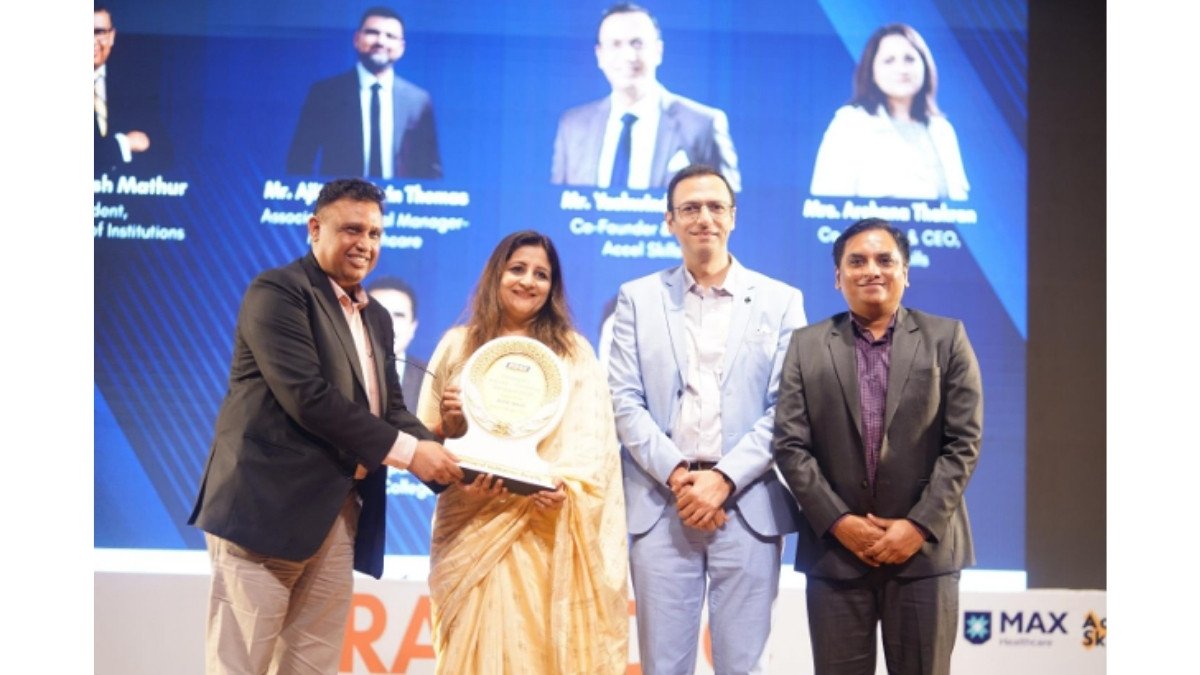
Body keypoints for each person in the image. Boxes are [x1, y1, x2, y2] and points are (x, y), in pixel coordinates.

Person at [188, 178, 462, 675]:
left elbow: (389, 410)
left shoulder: (377, 318)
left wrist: (448, 455)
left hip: (337, 518)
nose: (365, 244)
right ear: (315, 229)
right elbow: (309, 399)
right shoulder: (279, 292)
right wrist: (412, 453)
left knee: (313, 667)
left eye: (375, 233)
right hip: (263, 513)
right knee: (239, 664)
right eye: (352, 229)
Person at [608, 164, 806, 673]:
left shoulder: (781, 301)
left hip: (747, 502)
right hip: (662, 502)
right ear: (669, 220)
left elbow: (788, 408)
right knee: (663, 665)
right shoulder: (637, 297)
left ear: (733, 217)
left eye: (716, 207)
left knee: (743, 666)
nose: (704, 218)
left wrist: (722, 480)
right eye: (690, 208)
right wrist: (680, 477)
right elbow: (624, 400)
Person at [773, 218, 983, 675]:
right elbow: (789, 445)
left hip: (924, 556)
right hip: (836, 557)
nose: (872, 270)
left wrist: (918, 526)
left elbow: (963, 442)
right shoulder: (806, 346)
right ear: (838, 277)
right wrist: (840, 522)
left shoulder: (946, 338)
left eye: (885, 260)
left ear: (905, 272)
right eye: (857, 261)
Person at [417, 230, 629, 674]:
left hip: (543, 530)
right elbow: (425, 446)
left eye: (541, 274)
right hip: (469, 522)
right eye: (517, 269)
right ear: (497, 274)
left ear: (553, 287)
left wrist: (566, 489)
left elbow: (594, 451)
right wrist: (450, 429)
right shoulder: (458, 344)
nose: (528, 281)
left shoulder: (573, 354)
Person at [551, 3, 741, 192]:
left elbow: (728, 204)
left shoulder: (702, 125)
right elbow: (555, 203)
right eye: (615, 44)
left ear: (658, 51)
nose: (629, 56)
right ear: (599, 55)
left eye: (637, 43)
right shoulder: (573, 126)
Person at [809, 23, 969, 201]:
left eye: (909, 59)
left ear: (925, 65)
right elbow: (827, 203)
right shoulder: (850, 123)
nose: (901, 69)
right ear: (871, 71)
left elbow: (959, 204)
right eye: (889, 61)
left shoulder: (942, 130)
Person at [287, 6, 442, 179]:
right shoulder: (325, 93)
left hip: (400, 196)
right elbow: (299, 160)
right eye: (372, 32)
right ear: (357, 39)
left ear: (401, 47)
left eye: (390, 36)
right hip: (343, 196)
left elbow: (431, 169)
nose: (381, 41)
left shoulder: (418, 100)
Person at [94, 4, 173, 173]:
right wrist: (125, 144)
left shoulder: (132, 86)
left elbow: (162, 152)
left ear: (112, 36)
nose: (92, 41)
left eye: (99, 32)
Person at [367, 275, 426, 409]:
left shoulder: (430, 380)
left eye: (398, 315)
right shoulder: (335, 375)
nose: (388, 323)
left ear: (412, 327)